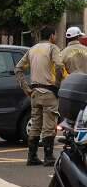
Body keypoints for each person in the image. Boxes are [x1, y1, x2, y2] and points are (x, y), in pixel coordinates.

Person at [15, 26, 66, 166]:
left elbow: (18, 69)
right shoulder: (52, 48)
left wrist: (26, 88)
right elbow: (60, 66)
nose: (55, 37)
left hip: (35, 93)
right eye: (55, 35)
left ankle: (32, 157)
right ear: (51, 36)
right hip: (49, 91)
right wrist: (57, 84)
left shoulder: (32, 49)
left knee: (36, 124)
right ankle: (48, 157)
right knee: (49, 126)